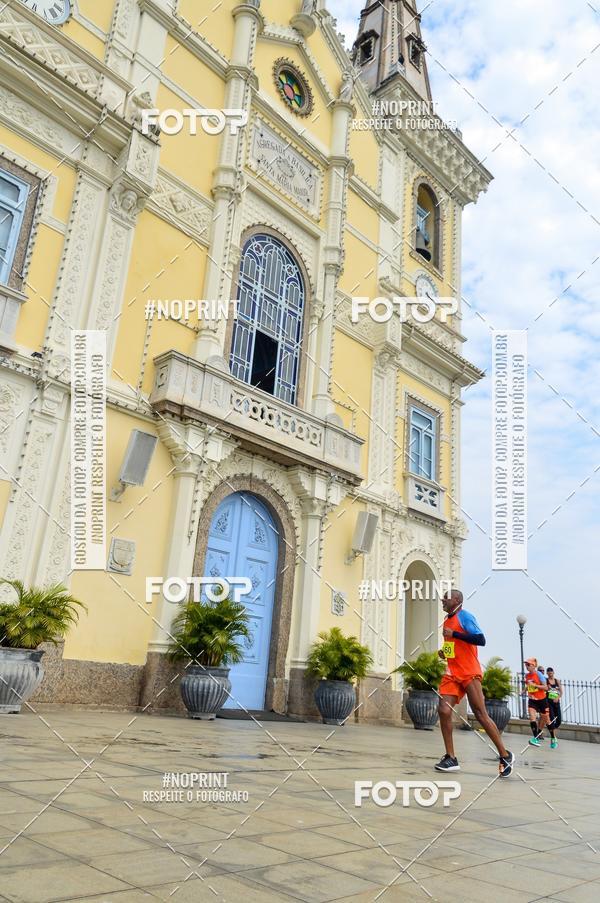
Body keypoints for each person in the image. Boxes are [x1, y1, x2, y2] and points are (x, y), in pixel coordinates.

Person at [434, 590, 515, 778]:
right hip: (452, 673)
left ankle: (505, 755)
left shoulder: (465, 617)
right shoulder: (447, 620)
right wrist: (445, 653)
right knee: (444, 710)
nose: (443, 600)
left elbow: (480, 639)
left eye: (446, 598)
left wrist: (454, 633)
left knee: (480, 714)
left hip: (469, 672)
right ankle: (450, 758)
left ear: (457, 600)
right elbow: (452, 647)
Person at [523, 658, 549, 746]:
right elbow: (528, 685)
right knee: (532, 718)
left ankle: (539, 732)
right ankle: (535, 738)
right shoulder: (527, 676)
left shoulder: (539, 675)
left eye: (528, 665)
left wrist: (536, 686)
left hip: (541, 699)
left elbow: (545, 688)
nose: (526, 666)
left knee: (544, 717)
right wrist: (524, 690)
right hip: (532, 699)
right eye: (526, 664)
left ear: (534, 666)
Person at [545, 666, 562, 749]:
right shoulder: (546, 681)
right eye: (549, 673)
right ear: (547, 673)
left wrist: (558, 697)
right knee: (551, 720)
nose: (550, 674)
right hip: (549, 703)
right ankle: (553, 738)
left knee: (559, 721)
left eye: (551, 673)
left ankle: (552, 730)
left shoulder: (557, 681)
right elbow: (544, 690)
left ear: (553, 673)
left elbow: (561, 692)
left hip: (556, 702)